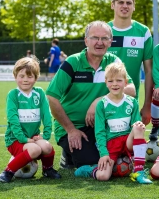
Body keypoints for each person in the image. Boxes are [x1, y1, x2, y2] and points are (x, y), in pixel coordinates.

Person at [46, 21, 136, 170]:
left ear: (110, 41)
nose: (99, 42)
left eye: (104, 38)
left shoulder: (113, 61)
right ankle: (68, 154)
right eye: (95, 38)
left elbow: (131, 89)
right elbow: (52, 97)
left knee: (118, 157)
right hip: (74, 126)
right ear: (86, 40)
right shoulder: (73, 62)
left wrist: (99, 100)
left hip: (103, 126)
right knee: (94, 162)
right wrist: (71, 130)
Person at [74, 62, 152, 184]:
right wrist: (104, 154)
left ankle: (139, 172)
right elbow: (99, 131)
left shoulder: (132, 102)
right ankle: (91, 169)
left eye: (119, 80)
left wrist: (139, 125)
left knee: (138, 127)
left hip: (127, 141)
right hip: (112, 143)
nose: (115, 84)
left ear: (125, 82)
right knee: (103, 176)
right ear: (106, 82)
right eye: (111, 81)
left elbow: (135, 124)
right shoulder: (102, 104)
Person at [0, 57, 61, 183]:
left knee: (47, 147)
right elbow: (13, 119)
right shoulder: (13, 95)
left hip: (33, 137)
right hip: (15, 139)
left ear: (36, 78)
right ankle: (8, 171)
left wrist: (45, 135)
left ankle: (47, 169)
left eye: (29, 76)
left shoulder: (39, 93)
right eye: (21, 76)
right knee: (35, 149)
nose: (25, 80)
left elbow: (46, 115)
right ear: (15, 76)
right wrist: (23, 139)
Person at [108, 0, 153, 126]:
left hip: (130, 102)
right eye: (120, 2)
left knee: (131, 145)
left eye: (129, 2)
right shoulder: (103, 31)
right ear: (113, 5)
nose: (125, 6)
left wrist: (147, 105)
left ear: (134, 6)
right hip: (104, 102)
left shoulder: (143, 32)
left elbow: (149, 71)